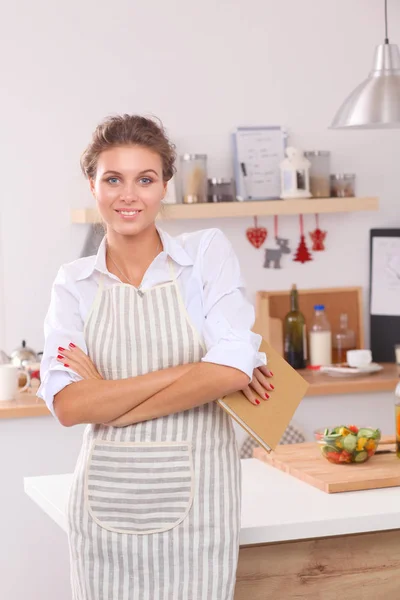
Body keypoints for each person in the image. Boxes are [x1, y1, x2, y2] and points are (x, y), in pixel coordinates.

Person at [37, 114, 274, 600]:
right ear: (93, 185)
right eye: (113, 179)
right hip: (104, 507)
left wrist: (110, 400)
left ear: (164, 185)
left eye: (145, 179)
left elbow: (231, 369)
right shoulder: (74, 282)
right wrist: (197, 370)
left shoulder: (204, 255)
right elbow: (68, 407)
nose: (129, 195)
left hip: (201, 510)